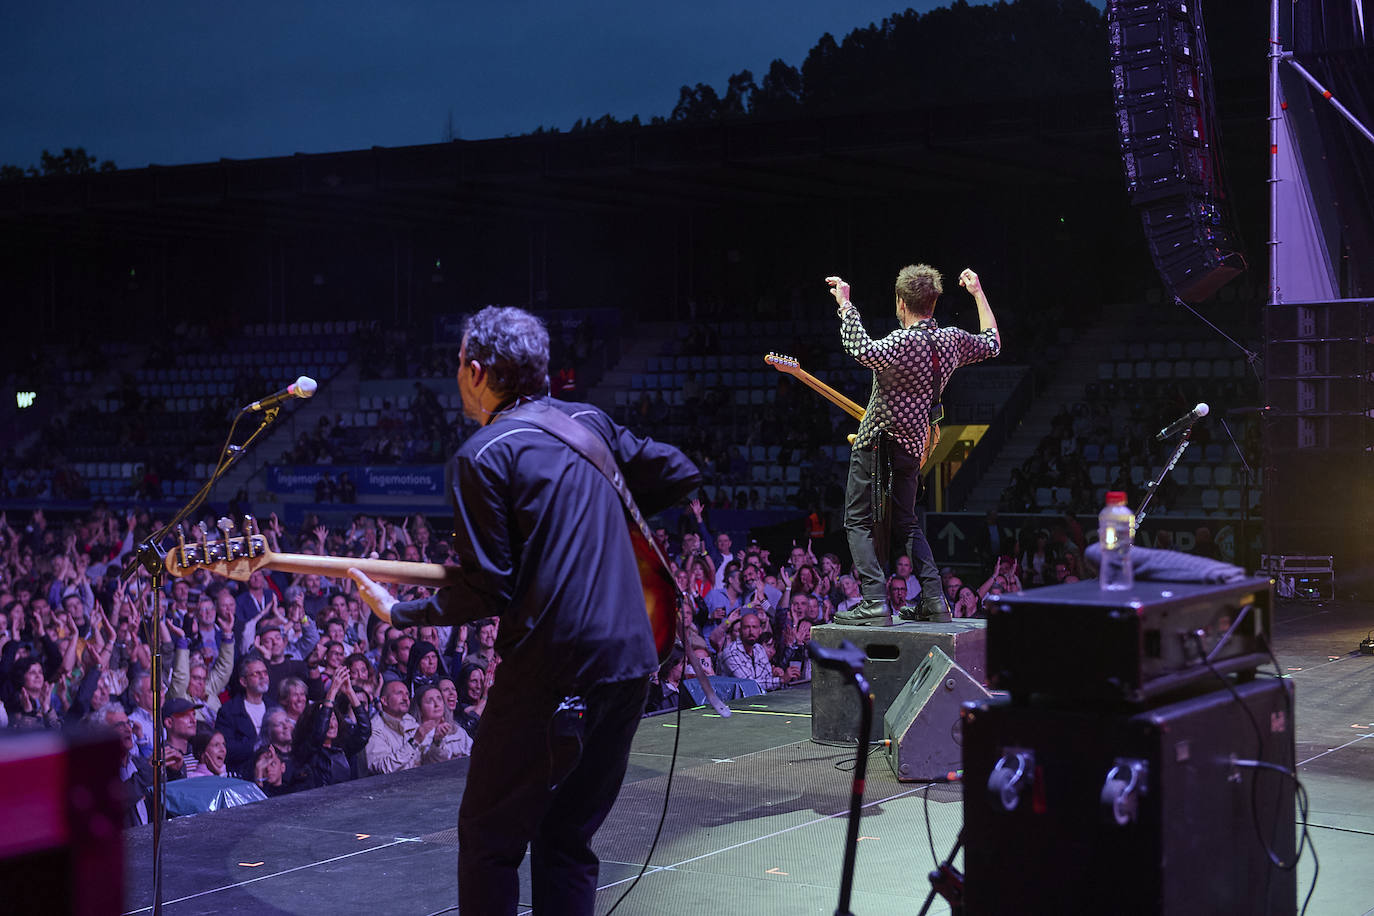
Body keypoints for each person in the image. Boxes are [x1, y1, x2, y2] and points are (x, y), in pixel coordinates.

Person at [350, 305, 699, 916]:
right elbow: (677, 470)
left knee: (489, 838)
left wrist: (397, 612)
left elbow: (488, 589)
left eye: (458, 362)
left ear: (478, 371)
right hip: (632, 661)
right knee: (567, 836)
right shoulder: (589, 422)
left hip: (550, 667)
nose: (456, 372)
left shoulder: (482, 455)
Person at [826, 265, 1001, 624]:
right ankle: (935, 600)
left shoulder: (902, 342)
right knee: (905, 522)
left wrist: (845, 304)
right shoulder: (951, 340)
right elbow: (993, 341)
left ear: (901, 302)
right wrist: (978, 292)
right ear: (934, 303)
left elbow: (859, 347)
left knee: (857, 522)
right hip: (912, 446)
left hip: (876, 442)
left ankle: (875, 601)